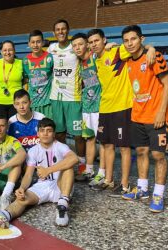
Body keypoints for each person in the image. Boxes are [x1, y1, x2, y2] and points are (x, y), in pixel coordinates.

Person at [87, 28, 155, 197]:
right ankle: (109, 180)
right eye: (91, 42)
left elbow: (138, 47)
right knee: (107, 145)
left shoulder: (117, 51)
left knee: (124, 148)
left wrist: (151, 48)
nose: (93, 44)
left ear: (104, 40)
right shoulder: (96, 59)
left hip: (122, 107)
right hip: (105, 107)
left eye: (96, 40)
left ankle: (124, 184)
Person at [0, 118, 78, 228]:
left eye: (49, 131)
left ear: (54, 134)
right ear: (37, 133)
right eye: (42, 130)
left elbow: (74, 159)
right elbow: (28, 175)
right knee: (22, 198)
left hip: (62, 186)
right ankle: (4, 215)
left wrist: (48, 170)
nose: (45, 133)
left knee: (68, 168)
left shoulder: (60, 146)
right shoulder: (33, 150)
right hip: (42, 186)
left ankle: (62, 207)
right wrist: (22, 188)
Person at [121, 25, 168, 213]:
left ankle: (158, 194)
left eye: (133, 39)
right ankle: (142, 189)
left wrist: (161, 112)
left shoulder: (154, 56)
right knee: (141, 152)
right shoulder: (127, 62)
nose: (129, 43)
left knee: (158, 155)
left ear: (141, 39)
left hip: (157, 116)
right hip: (138, 116)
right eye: (126, 40)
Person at [47, 19, 86, 172]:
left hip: (74, 98)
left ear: (68, 30)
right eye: (58, 29)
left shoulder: (75, 47)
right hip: (56, 97)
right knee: (60, 134)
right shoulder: (51, 48)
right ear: (54, 33)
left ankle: (82, 168)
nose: (61, 32)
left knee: (78, 136)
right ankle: (63, 165)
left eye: (63, 29)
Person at [71, 33, 105, 185]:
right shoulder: (79, 62)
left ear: (87, 44)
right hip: (86, 106)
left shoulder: (95, 57)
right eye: (75, 45)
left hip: (100, 106)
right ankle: (89, 170)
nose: (77, 48)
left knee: (103, 141)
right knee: (89, 139)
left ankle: (102, 173)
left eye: (80, 44)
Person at [23, 29, 54, 118]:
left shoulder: (50, 57)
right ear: (29, 44)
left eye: (38, 42)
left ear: (43, 43)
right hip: (33, 103)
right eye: (33, 42)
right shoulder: (25, 61)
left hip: (48, 103)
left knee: (48, 129)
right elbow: (25, 80)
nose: (35, 45)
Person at [0, 40, 23, 118]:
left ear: (14, 51)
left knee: (14, 129)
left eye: (10, 50)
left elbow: (26, 81)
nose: (7, 52)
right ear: (1, 52)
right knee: (1, 129)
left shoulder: (21, 63)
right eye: (5, 50)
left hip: (16, 103)